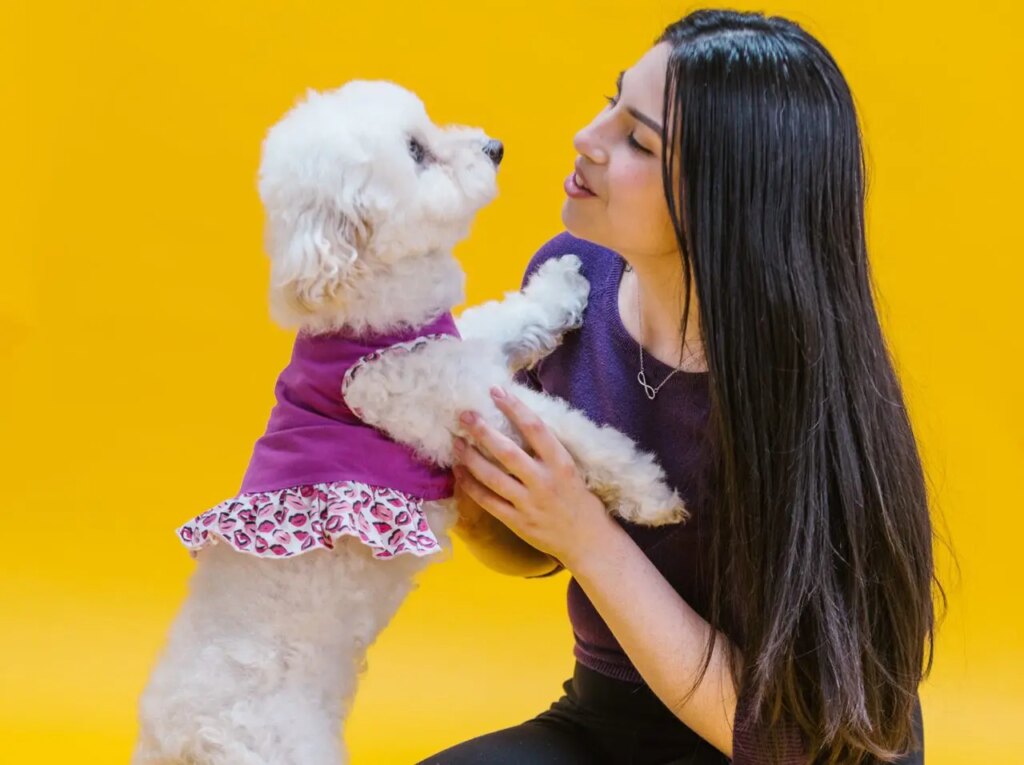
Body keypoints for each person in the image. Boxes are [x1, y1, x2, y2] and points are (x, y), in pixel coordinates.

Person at [419, 9, 937, 764]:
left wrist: (588, 536)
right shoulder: (570, 282)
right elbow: (536, 554)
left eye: (639, 140)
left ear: (728, 201)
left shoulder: (799, 395)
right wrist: (481, 491)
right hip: (610, 716)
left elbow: (788, 742)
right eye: (612, 101)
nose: (587, 138)